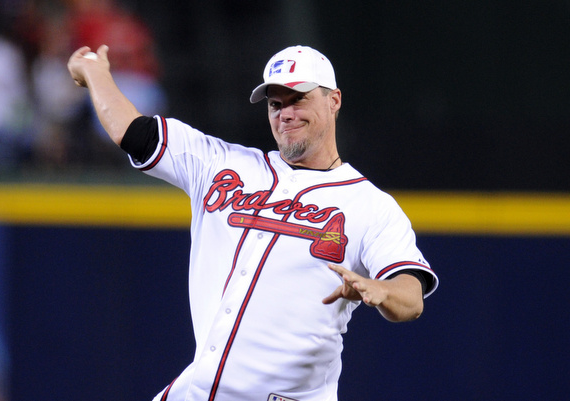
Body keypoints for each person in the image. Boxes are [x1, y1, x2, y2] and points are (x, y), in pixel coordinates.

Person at [68, 44, 439, 401]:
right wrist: (95, 73)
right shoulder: (222, 164)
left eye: (299, 99)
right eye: (276, 104)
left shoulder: (370, 205)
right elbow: (134, 133)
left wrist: (381, 290)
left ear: (334, 100)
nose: (286, 113)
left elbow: (411, 295)